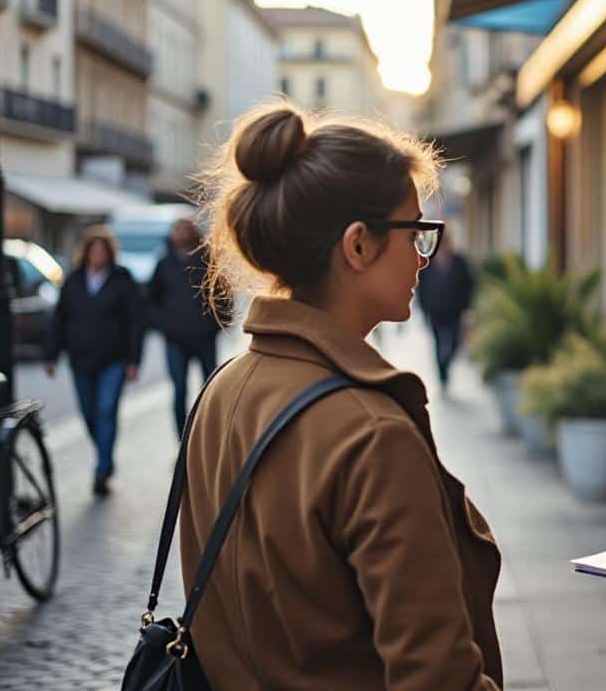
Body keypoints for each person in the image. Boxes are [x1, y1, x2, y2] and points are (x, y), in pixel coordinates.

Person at [182, 103, 501, 690]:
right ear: (358, 246)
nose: (423, 258)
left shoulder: (220, 392)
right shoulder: (372, 433)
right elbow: (438, 678)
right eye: (416, 231)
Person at [44, 226, 145, 497]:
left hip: (114, 358)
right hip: (81, 359)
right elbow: (59, 319)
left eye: (102, 250)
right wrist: (51, 355)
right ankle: (105, 456)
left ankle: (101, 469)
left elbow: (136, 322)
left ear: (109, 253)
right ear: (86, 252)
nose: (98, 254)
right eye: (93, 250)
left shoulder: (123, 279)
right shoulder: (74, 280)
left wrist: (134, 360)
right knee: (89, 414)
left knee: (106, 410)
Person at [147, 217, 229, 434]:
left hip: (204, 337)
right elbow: (151, 299)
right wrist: (164, 325)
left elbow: (224, 294)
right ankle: (183, 441)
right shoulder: (164, 263)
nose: (182, 233)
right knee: (179, 390)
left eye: (185, 229)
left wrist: (216, 324)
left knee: (210, 390)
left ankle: (208, 437)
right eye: (177, 229)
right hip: (175, 339)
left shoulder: (208, 260)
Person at [415, 233, 474, 391]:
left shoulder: (459, 262)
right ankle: (442, 373)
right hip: (434, 312)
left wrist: (467, 309)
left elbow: (469, 286)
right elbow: (421, 287)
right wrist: (424, 308)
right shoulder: (428, 263)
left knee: (455, 343)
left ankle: (446, 364)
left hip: (454, 312)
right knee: (437, 344)